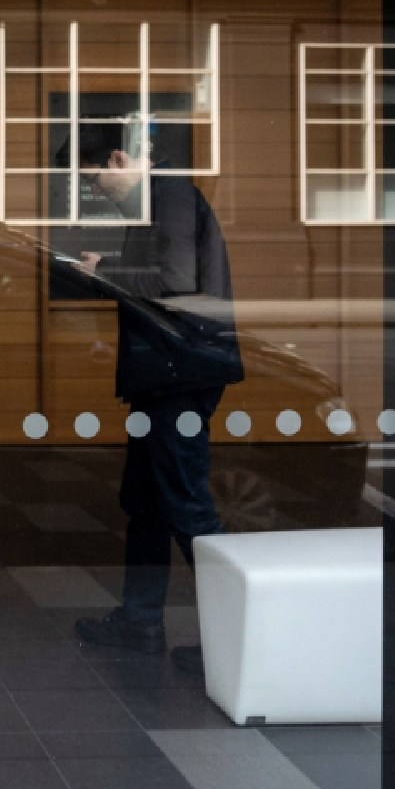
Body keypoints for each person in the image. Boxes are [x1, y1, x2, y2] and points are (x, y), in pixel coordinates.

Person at [67, 126, 242, 655]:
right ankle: (140, 622)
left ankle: (238, 640)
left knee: (187, 506)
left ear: (119, 158)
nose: (95, 191)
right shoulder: (156, 201)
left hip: (180, 376)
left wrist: (106, 272)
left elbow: (175, 280)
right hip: (164, 375)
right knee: (145, 502)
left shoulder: (171, 198)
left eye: (94, 179)